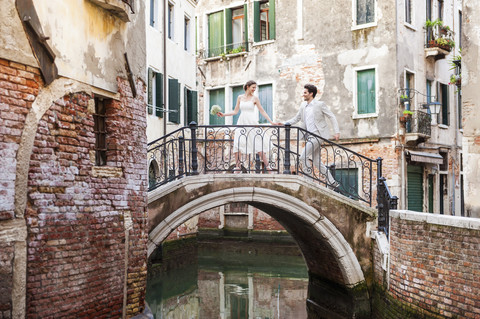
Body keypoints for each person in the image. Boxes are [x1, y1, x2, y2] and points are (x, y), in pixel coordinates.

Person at [283, 84, 340, 188]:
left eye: (305, 92)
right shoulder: (303, 106)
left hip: (318, 135)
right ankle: (332, 182)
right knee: (317, 161)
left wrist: (337, 131)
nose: (303, 94)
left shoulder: (319, 105)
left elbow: (331, 116)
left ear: (311, 93)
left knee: (303, 157)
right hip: (309, 137)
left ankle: (308, 182)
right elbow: (296, 119)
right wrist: (283, 123)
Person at [217, 80, 277, 173]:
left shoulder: (255, 98)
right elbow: (235, 111)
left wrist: (271, 122)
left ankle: (268, 168)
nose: (254, 89)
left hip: (251, 121)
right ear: (248, 87)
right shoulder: (240, 97)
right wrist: (223, 114)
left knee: (258, 143)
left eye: (255, 88)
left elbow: (262, 111)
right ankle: (237, 167)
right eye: (253, 87)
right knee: (237, 143)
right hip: (241, 122)